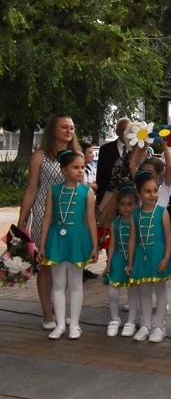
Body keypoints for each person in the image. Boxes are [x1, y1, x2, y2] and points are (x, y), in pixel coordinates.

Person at [18, 114, 82, 330]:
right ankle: (47, 313)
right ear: (53, 129)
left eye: (72, 127)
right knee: (46, 265)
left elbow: (81, 188)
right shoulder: (41, 156)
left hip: (71, 218)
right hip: (45, 217)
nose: (69, 131)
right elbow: (32, 189)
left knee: (67, 266)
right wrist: (22, 219)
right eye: (64, 127)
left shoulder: (77, 155)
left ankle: (62, 310)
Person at [38, 150, 98, 340]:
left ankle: (75, 325)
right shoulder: (53, 190)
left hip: (77, 239)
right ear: (64, 169)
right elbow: (47, 218)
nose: (80, 171)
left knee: (75, 283)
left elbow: (90, 220)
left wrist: (95, 245)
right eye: (75, 167)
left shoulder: (87, 192)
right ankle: (60, 324)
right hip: (57, 238)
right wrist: (42, 245)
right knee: (58, 284)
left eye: (82, 167)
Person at [128, 170, 171, 343]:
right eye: (147, 191)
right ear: (139, 193)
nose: (152, 195)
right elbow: (133, 239)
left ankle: (159, 326)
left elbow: (169, 236)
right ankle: (146, 324)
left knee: (160, 290)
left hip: (158, 256)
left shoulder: (162, 212)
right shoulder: (135, 214)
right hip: (141, 256)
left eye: (155, 190)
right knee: (144, 291)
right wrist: (130, 261)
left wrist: (166, 258)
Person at [103, 184, 140, 337]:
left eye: (130, 205)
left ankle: (131, 321)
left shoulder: (137, 222)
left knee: (132, 292)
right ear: (118, 206)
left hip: (133, 259)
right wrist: (108, 262)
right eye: (122, 205)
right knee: (113, 292)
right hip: (118, 258)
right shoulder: (115, 223)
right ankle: (114, 319)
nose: (126, 208)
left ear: (136, 205)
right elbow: (112, 244)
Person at [95, 118, 130, 206]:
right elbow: (101, 176)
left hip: (130, 199)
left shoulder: (136, 149)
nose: (126, 133)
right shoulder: (106, 150)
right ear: (117, 131)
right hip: (109, 198)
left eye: (129, 130)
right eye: (123, 130)